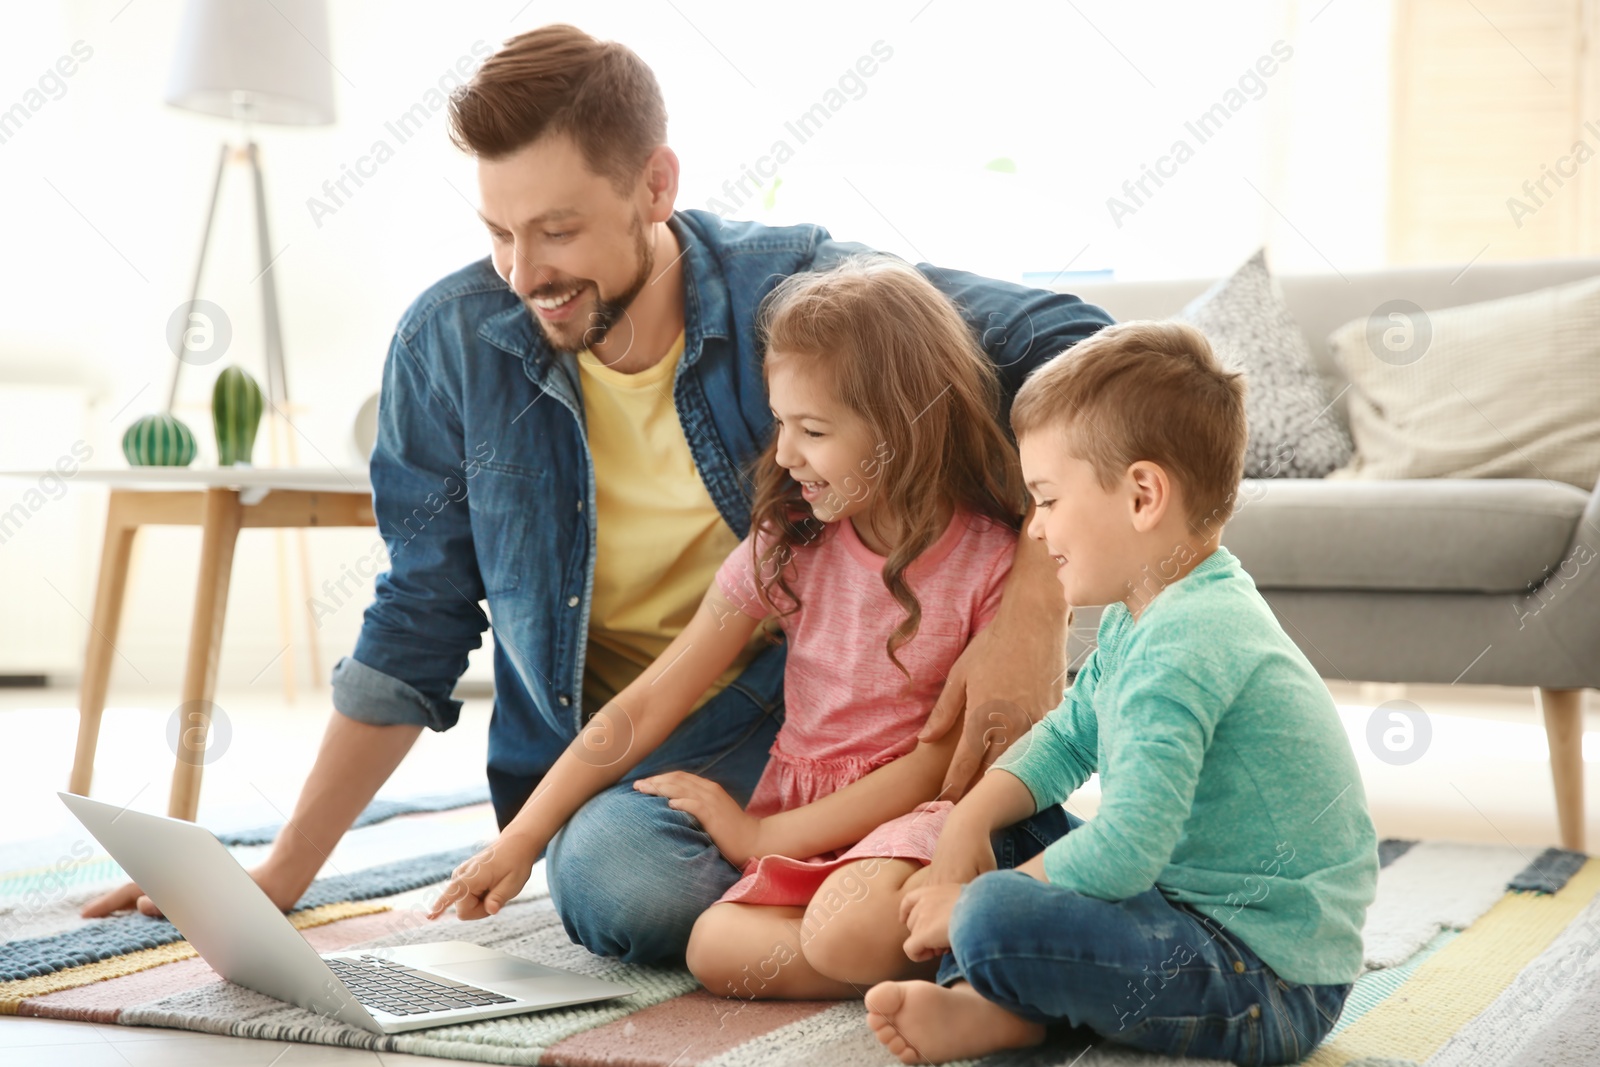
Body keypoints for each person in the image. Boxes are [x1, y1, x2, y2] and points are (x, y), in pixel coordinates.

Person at [83, 24, 1113, 967]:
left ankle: (943, 877)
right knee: (619, 885)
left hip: (805, 717)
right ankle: (903, 887)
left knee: (678, 892)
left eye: (558, 232)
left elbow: (1087, 346)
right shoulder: (449, 345)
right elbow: (416, 619)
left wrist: (1033, 598)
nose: (524, 273)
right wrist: (277, 878)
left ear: (655, 185)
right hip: (613, 750)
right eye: (498, 232)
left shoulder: (796, 293)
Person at [433, 255, 1069, 996]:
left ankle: (957, 937)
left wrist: (763, 839)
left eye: (814, 429)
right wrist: (520, 839)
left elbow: (935, 766)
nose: (786, 453)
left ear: (904, 427)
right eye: (780, 421)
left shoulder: (985, 559)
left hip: (914, 820)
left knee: (844, 923)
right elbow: (649, 700)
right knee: (716, 946)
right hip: (804, 823)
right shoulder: (792, 539)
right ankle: (956, 942)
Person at [864, 321, 1379, 1066]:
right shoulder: (1149, 611)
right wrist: (967, 818)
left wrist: (975, 899)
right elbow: (1072, 735)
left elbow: (1129, 849)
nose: (1034, 532)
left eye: (1044, 499)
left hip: (1265, 978)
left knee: (993, 909)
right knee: (1001, 827)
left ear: (1142, 494)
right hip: (1179, 910)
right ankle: (997, 998)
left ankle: (1002, 1004)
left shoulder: (1188, 640)